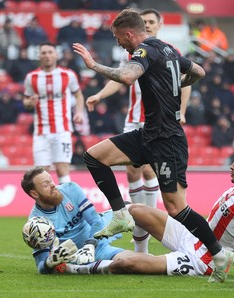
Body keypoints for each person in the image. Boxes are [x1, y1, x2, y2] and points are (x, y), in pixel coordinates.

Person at [73, 8, 234, 282]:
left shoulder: (145, 50)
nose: (118, 44)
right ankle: (120, 214)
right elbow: (198, 71)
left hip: (167, 140)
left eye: (118, 38)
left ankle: (219, 253)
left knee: (176, 208)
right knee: (94, 156)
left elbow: (127, 77)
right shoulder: (168, 49)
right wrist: (176, 85)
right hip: (148, 133)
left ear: (128, 34)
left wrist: (93, 66)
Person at [57, 117, 234, 281]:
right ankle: (133, 253)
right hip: (192, 236)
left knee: (124, 264)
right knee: (135, 210)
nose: (232, 165)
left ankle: (70, 268)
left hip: (204, 260)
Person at [85, 8, 191, 226]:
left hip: (159, 122)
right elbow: (123, 77)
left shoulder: (169, 51)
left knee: (150, 171)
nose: (148, 24)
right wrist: (100, 94)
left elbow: (184, 80)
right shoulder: (134, 52)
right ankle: (138, 228)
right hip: (134, 118)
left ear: (159, 25)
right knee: (132, 173)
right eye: (145, 21)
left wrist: (182, 110)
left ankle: (149, 218)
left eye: (152, 21)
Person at [20, 166, 140, 274]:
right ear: (34, 194)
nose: (53, 185)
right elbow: (41, 265)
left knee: (133, 210)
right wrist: (49, 263)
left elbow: (95, 221)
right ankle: (142, 255)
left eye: (51, 180)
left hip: (96, 234)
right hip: (84, 253)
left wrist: (90, 244)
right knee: (130, 262)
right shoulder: (37, 224)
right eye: (46, 184)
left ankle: (141, 249)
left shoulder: (70, 189)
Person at [23, 42, 85, 184]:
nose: (47, 56)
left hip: (62, 130)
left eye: (50, 52)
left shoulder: (68, 75)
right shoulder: (31, 78)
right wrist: (29, 103)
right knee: (41, 174)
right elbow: (26, 101)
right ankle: (46, 206)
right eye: (44, 53)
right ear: (39, 56)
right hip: (40, 132)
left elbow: (79, 95)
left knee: (62, 170)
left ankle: (66, 204)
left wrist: (79, 112)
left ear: (56, 55)